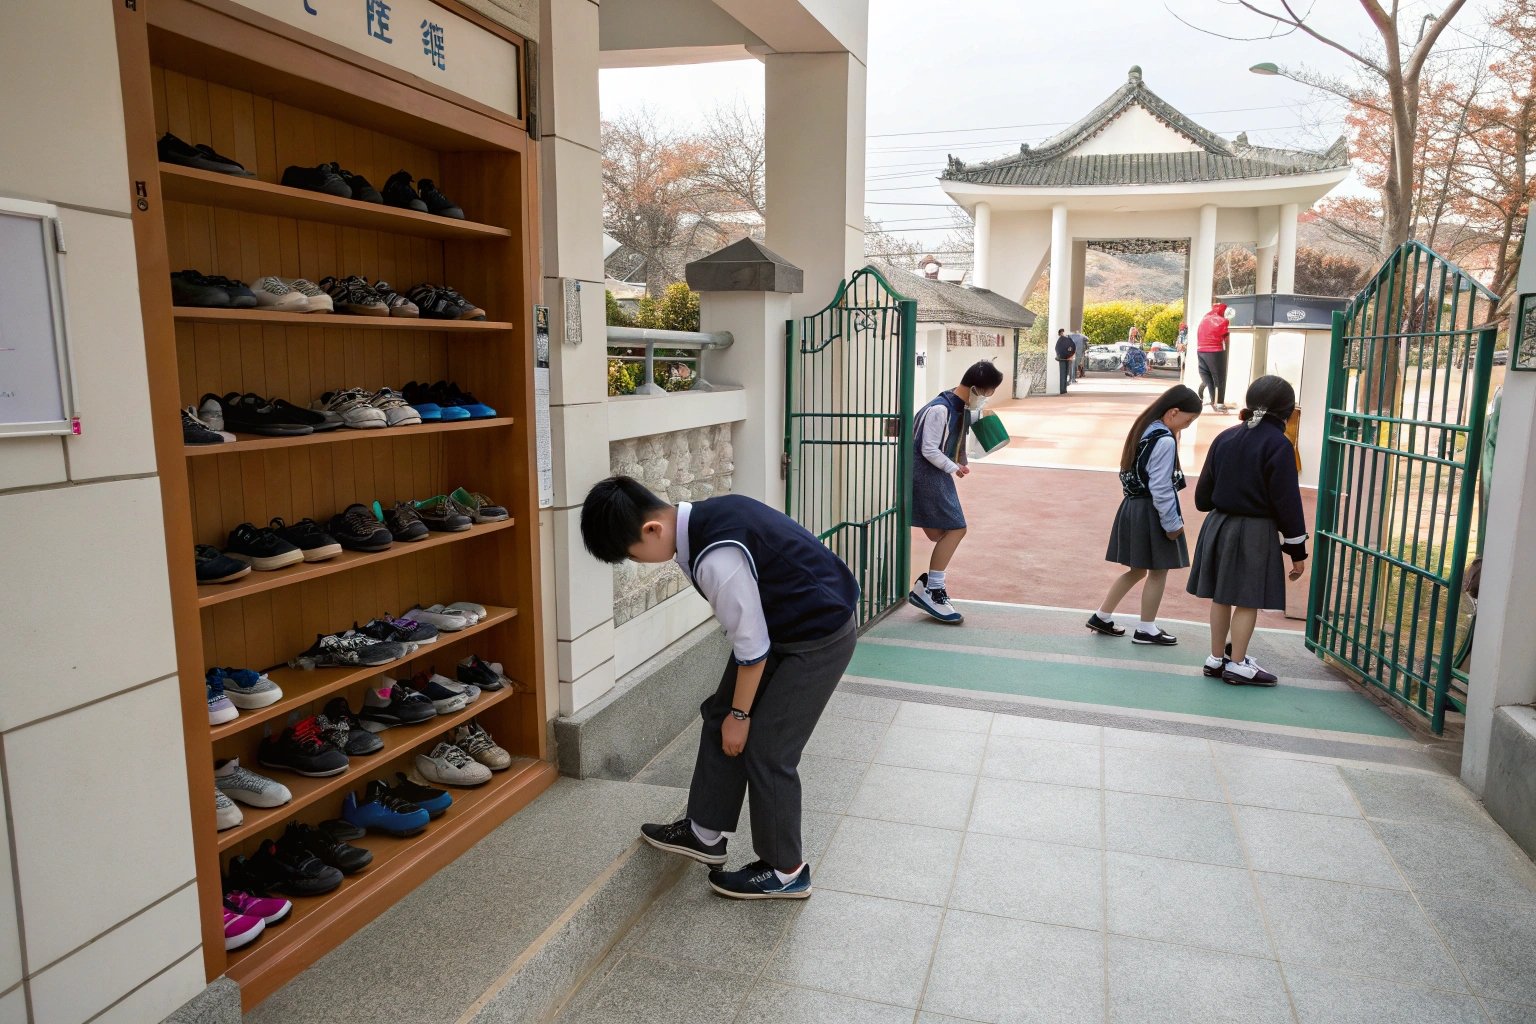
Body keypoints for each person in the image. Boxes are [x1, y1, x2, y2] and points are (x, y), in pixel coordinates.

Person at [580, 476, 859, 899]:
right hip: (784, 625)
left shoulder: (717, 557)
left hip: (820, 635)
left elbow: (753, 650)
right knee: (720, 712)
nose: (637, 562)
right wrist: (732, 713)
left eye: (631, 555)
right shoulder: (701, 521)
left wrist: (742, 717)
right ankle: (704, 833)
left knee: (769, 749)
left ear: (652, 530)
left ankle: (786, 871)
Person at [1186, 375, 1308, 686]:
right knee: (1247, 599)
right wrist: (1297, 551)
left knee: (1221, 597)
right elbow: (1287, 504)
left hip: (1217, 525)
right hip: (1254, 531)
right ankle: (1237, 663)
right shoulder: (1279, 445)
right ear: (1287, 411)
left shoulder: (1225, 437)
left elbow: (1202, 498)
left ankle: (1216, 659)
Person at [1087, 385, 1203, 644]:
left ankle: (1102, 615)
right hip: (1152, 509)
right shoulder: (1164, 439)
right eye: (1188, 419)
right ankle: (1146, 628)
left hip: (1132, 506)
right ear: (1173, 412)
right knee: (1158, 570)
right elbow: (1161, 487)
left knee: (1137, 569)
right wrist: (1173, 523)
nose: (1187, 425)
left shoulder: (1145, 428)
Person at [909, 361, 1003, 625]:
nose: (985, 399)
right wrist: (955, 468)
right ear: (974, 388)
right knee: (957, 528)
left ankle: (926, 587)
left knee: (942, 533)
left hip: (933, 476)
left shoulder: (958, 406)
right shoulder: (940, 409)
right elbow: (928, 449)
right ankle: (933, 590)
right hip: (926, 476)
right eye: (985, 393)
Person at [1196, 302, 1231, 411]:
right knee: (1219, 378)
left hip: (1200, 350)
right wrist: (1226, 351)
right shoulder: (1223, 321)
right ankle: (1220, 403)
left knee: (1207, 377)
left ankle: (1212, 400)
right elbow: (1226, 338)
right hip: (1215, 351)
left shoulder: (1204, 319)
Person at [1054, 329, 1076, 393]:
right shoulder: (1067, 340)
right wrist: (1070, 355)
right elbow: (1073, 348)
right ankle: (1063, 389)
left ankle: (1063, 389)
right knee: (1065, 373)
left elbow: (1057, 349)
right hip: (1066, 358)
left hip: (1063, 358)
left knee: (1064, 373)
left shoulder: (1062, 340)